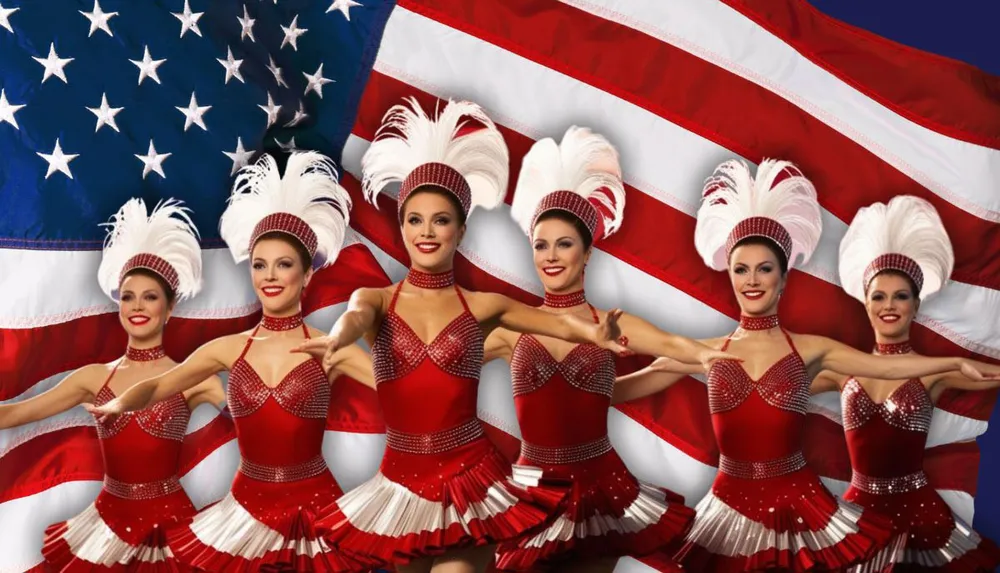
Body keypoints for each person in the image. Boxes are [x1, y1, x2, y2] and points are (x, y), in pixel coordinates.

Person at [613, 159, 1000, 572]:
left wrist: (956, 361)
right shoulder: (705, 349)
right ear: (728, 274)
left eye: (765, 269)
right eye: (741, 269)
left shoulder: (812, 350)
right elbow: (639, 381)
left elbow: (887, 368)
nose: (753, 280)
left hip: (801, 503)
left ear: (783, 278)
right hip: (729, 503)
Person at [294, 98, 628, 573]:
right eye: (414, 219)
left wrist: (595, 333)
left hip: (471, 480)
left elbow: (552, 320)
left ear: (461, 230)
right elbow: (355, 314)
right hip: (400, 484)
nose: (426, 231)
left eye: (441, 220)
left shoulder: (483, 305)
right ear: (402, 226)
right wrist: (338, 339)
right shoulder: (378, 298)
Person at [87, 152, 372, 572]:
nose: (270, 276)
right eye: (260, 265)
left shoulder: (329, 346)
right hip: (245, 512)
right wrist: (117, 404)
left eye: (284, 265)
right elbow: (162, 385)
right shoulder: (227, 348)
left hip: (314, 508)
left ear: (307, 275)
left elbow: (400, 389)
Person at [486, 126, 734, 572]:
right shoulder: (512, 326)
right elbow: (442, 364)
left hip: (598, 486)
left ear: (587, 253)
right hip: (531, 486)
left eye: (564, 244)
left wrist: (725, 357)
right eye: (541, 245)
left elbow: (679, 346)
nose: (551, 256)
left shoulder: (612, 323)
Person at [0, 198, 224, 572]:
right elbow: (19, 412)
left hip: (170, 526)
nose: (137, 306)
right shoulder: (94, 377)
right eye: (128, 297)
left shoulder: (193, 377)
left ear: (169, 308)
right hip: (106, 525)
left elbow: (253, 424)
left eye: (150, 297)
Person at [811, 195, 1000, 572]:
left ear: (916, 305)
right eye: (878, 296)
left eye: (900, 296)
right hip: (860, 513)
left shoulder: (932, 371)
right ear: (864, 303)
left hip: (919, 517)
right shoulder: (841, 370)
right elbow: (774, 383)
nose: (889, 305)